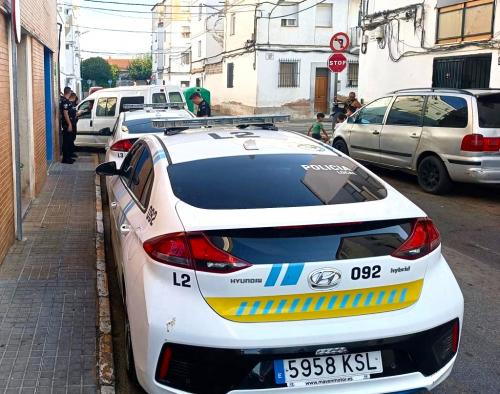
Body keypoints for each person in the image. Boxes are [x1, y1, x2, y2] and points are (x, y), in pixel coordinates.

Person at [60, 87, 74, 164]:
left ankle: (68, 157)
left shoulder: (66, 101)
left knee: (68, 141)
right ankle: (65, 159)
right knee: (66, 142)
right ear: (69, 92)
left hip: (68, 123)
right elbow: (65, 113)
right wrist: (69, 124)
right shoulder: (65, 102)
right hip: (66, 125)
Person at [68, 92, 79, 159]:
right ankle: (70, 154)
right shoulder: (70, 104)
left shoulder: (72, 104)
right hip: (71, 124)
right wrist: (78, 114)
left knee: (72, 139)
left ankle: (71, 153)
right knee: (70, 139)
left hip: (73, 123)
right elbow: (70, 114)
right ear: (74, 97)